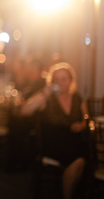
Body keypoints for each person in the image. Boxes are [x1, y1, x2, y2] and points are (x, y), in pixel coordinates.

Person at [20, 62, 88, 199]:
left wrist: (82, 125)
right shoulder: (47, 98)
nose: (60, 82)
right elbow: (24, 111)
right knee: (79, 159)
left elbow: (86, 118)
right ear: (51, 82)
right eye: (56, 80)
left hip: (74, 143)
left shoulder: (77, 98)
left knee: (82, 156)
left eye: (64, 79)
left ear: (70, 81)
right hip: (53, 145)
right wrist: (44, 95)